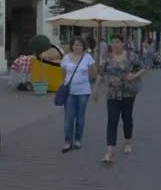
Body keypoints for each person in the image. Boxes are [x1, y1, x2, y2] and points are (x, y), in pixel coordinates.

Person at [93, 34, 146, 164]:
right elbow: (101, 74)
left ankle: (128, 141)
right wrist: (95, 89)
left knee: (127, 118)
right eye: (113, 42)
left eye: (117, 42)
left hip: (128, 93)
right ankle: (110, 151)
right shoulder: (107, 57)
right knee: (112, 120)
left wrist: (134, 76)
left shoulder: (131, 56)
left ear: (123, 43)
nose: (115, 45)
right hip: (112, 94)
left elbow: (143, 67)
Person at [60, 38, 96, 153]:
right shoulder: (66, 57)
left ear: (83, 46)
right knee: (69, 118)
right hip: (69, 92)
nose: (78, 47)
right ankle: (67, 141)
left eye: (80, 45)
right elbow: (63, 73)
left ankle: (78, 140)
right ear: (72, 46)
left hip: (83, 92)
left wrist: (83, 80)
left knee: (80, 117)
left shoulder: (88, 57)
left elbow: (93, 74)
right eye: (76, 45)